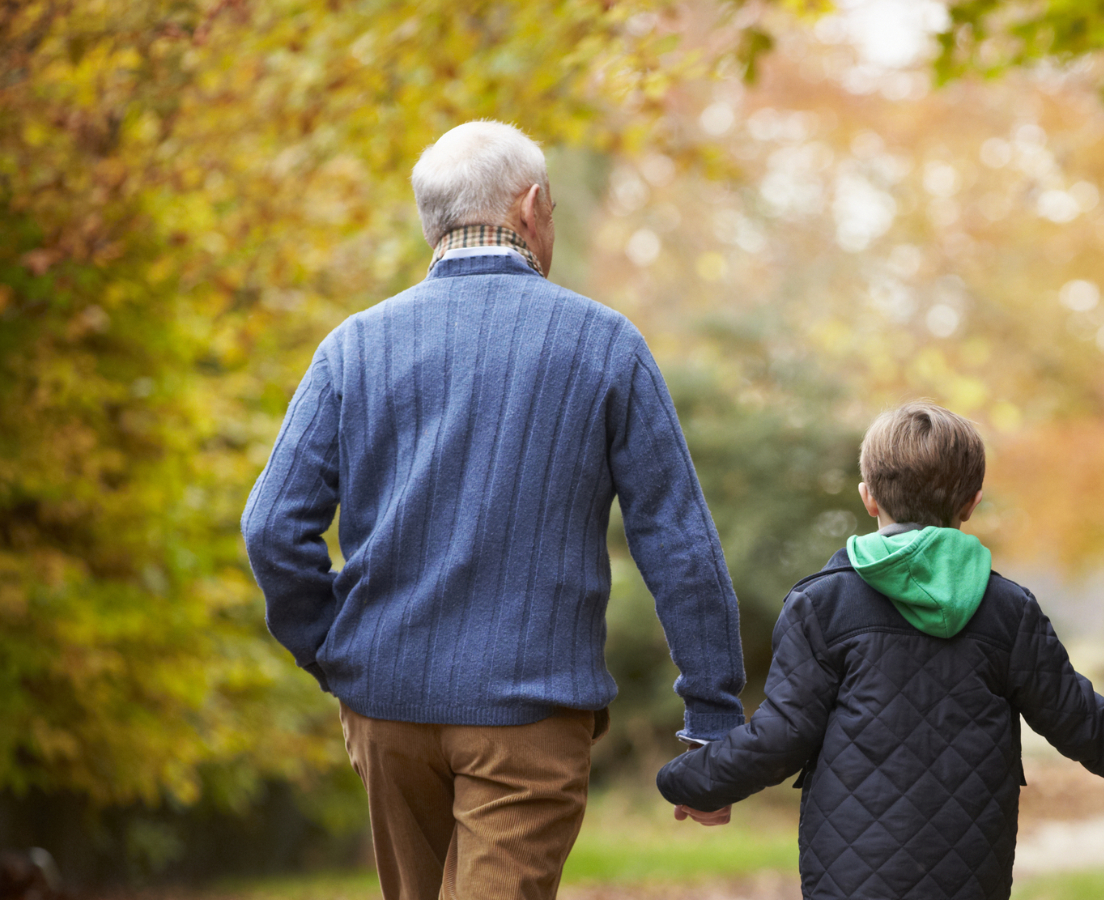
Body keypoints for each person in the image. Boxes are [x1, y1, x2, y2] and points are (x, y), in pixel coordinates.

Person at [241, 120, 747, 900]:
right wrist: (712, 714)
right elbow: (677, 542)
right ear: (533, 206)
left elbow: (271, 527)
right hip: (530, 711)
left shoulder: (353, 346)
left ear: (432, 220)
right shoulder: (604, 344)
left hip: (384, 706)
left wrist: (334, 650)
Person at [657, 401, 1104, 900]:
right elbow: (1075, 717)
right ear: (972, 502)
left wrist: (693, 781)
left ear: (868, 495)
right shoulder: (1007, 610)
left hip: (849, 874)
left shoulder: (822, 604)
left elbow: (782, 734)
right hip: (971, 873)